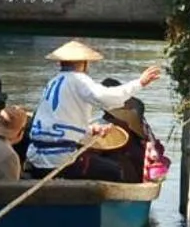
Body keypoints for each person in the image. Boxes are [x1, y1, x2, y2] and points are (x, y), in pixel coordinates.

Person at [25, 41, 161, 180]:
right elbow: (106, 98)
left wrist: (90, 130)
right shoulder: (79, 79)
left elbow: (60, 121)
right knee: (114, 171)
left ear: (61, 63)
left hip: (36, 156)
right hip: (61, 160)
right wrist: (139, 83)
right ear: (84, 63)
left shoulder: (52, 82)